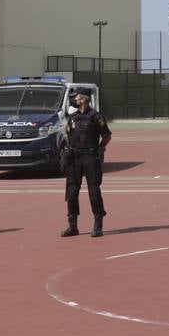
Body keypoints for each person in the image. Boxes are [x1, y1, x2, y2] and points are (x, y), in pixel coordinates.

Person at [61, 87, 111, 238]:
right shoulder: (73, 117)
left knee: (94, 192)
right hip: (74, 158)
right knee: (71, 192)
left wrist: (100, 149)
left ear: (83, 99)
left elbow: (107, 135)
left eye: (76, 97)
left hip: (90, 157)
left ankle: (98, 225)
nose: (74, 100)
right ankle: (73, 225)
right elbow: (69, 135)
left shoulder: (96, 117)